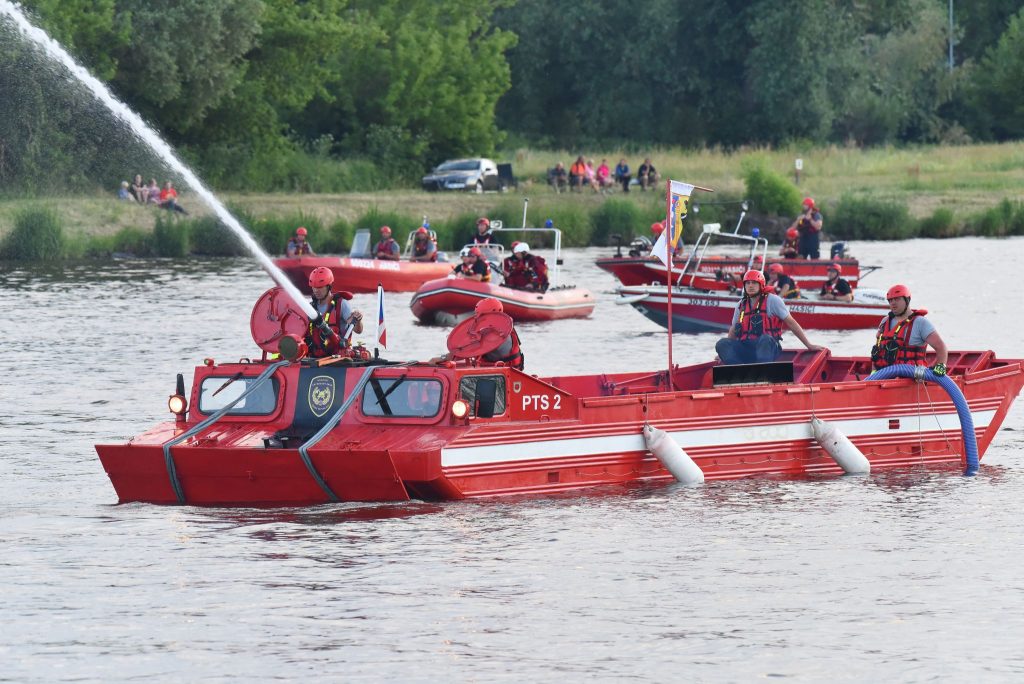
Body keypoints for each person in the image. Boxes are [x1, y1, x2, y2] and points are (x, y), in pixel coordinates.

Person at [715, 269, 822, 365]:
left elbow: (791, 323)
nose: (750, 286)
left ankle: (763, 371)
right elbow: (734, 330)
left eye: (754, 283)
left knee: (765, 339)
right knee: (722, 343)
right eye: (748, 283)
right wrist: (723, 354)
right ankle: (736, 370)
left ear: (761, 285)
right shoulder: (740, 305)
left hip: (769, 348)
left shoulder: (773, 300)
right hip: (747, 348)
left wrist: (809, 345)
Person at [870, 284, 948, 374]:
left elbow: (941, 347)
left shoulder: (920, 322)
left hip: (911, 378)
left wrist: (940, 367)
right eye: (890, 300)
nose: (893, 303)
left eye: (897, 299)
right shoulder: (885, 321)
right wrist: (873, 372)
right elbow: (877, 351)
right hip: (883, 376)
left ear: (907, 300)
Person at [431, 298, 524, 370]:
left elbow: (466, 351)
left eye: (482, 316)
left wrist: (442, 358)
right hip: (495, 371)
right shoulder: (501, 327)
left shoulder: (498, 335)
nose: (478, 319)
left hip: (508, 375)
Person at [304, 266, 364, 358]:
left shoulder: (341, 304)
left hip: (338, 358)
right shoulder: (310, 308)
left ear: (329, 286)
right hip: (315, 358)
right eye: (314, 287)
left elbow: (358, 330)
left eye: (320, 287)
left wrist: (358, 320)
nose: (316, 291)